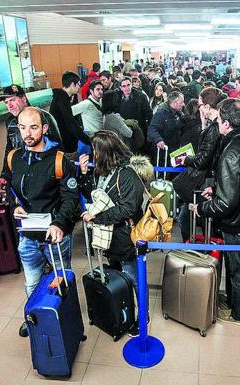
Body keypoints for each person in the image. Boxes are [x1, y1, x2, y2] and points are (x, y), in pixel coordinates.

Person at [193, 99, 240, 326]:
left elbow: (225, 204)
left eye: (218, 120)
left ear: (226, 124)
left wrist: (202, 208)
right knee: (237, 267)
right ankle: (234, 301)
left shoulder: (232, 150)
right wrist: (217, 188)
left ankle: (239, 314)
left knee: (238, 269)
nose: (216, 123)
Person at [6, 107, 79, 337]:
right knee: (31, 282)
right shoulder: (14, 157)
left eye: (34, 127)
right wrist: (14, 206)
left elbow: (70, 198)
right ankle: (34, 318)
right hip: (28, 236)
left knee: (61, 281)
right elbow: (10, 188)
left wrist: (58, 224)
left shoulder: (59, 160)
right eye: (23, 127)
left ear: (45, 129)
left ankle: (63, 318)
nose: (27, 133)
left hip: (55, 237)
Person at [78, 130, 154, 336]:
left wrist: (97, 218)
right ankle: (124, 313)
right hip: (110, 237)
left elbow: (128, 208)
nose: (92, 153)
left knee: (134, 277)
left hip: (126, 237)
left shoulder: (128, 174)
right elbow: (93, 198)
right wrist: (84, 175)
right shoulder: (102, 171)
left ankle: (142, 316)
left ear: (105, 151)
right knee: (119, 277)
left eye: (95, 149)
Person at [175, 88, 224, 241]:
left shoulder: (215, 129)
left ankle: (198, 253)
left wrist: (186, 159)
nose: (199, 108)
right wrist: (203, 124)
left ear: (208, 107)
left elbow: (203, 159)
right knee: (189, 219)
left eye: (201, 104)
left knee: (195, 221)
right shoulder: (215, 126)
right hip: (208, 181)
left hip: (205, 183)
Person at [0, 84, 61, 190]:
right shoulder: (10, 122)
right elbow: (9, 149)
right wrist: (5, 175)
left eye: (12, 100)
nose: (9, 106)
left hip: (45, 176)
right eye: (6, 103)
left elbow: (58, 148)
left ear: (24, 98)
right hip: (21, 175)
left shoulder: (44, 117)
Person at [49, 71, 91, 154]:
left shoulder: (62, 97)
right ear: (72, 84)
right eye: (78, 84)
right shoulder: (62, 99)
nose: (79, 87)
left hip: (64, 140)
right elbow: (70, 123)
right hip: (64, 143)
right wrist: (88, 140)